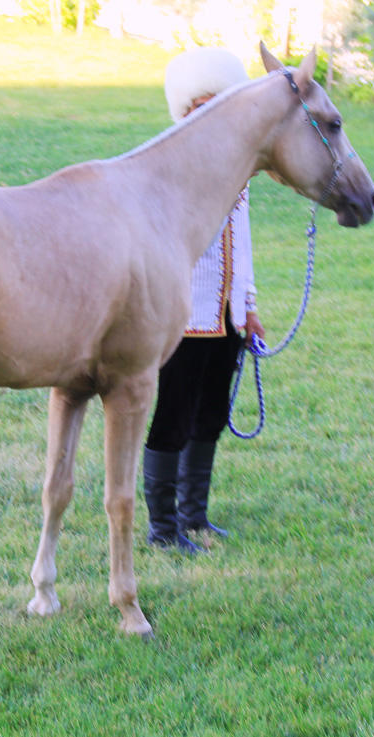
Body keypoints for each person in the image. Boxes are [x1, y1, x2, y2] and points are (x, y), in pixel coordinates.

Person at [142, 48, 266, 554]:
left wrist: (250, 305)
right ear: (186, 110)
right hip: (185, 314)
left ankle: (195, 517)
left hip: (228, 317)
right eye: (201, 105)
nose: (209, 113)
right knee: (172, 415)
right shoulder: (169, 168)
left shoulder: (237, 169)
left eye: (219, 104)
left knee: (210, 415)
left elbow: (246, 240)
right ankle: (161, 527)